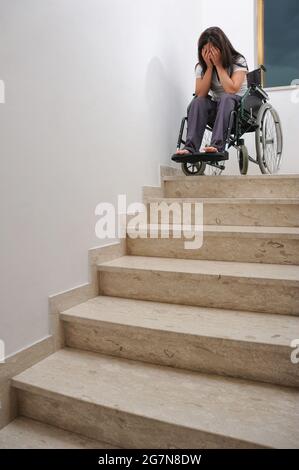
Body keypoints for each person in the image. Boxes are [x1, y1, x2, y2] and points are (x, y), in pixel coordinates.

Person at [176, 27, 248, 156]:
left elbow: (231, 89)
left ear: (222, 48)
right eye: (206, 50)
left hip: (237, 107)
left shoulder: (238, 60)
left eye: (213, 50)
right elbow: (201, 94)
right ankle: (190, 148)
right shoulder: (201, 67)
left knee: (226, 97)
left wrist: (219, 65)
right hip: (217, 108)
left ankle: (217, 146)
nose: (209, 54)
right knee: (198, 102)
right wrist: (209, 67)